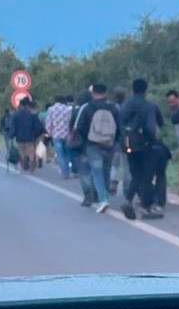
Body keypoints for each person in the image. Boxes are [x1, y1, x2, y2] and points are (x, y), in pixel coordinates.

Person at [119, 78, 161, 220]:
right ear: (145, 89)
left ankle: (128, 200)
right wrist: (153, 140)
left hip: (128, 145)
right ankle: (145, 207)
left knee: (136, 174)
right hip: (144, 146)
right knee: (147, 176)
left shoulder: (126, 105)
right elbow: (150, 127)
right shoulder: (148, 106)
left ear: (133, 89)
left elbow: (120, 124)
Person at [75, 84, 120, 214]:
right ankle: (104, 196)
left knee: (97, 172)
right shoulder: (114, 107)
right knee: (106, 170)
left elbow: (80, 128)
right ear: (105, 92)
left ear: (93, 92)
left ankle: (103, 199)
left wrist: (86, 143)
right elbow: (119, 126)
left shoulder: (87, 107)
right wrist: (115, 141)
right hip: (109, 144)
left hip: (92, 145)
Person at [10, 97, 43, 173]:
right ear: (28, 105)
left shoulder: (16, 115)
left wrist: (11, 135)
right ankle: (31, 163)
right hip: (30, 137)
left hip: (19, 137)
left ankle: (24, 160)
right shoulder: (32, 114)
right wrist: (36, 134)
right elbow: (37, 127)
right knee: (31, 151)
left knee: (22, 151)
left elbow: (13, 126)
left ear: (20, 105)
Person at [44, 95, 73, 179]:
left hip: (56, 135)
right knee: (67, 153)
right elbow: (72, 121)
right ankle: (67, 171)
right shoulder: (69, 109)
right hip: (67, 135)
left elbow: (48, 123)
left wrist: (49, 132)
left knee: (60, 154)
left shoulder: (51, 109)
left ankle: (64, 172)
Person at [109, 87, 130, 196]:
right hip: (127, 139)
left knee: (114, 163)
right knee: (127, 164)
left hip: (115, 140)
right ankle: (127, 189)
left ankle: (113, 182)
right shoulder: (128, 107)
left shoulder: (112, 108)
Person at [152, 105, 171, 213]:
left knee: (148, 176)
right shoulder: (161, 124)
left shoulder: (143, 120)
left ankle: (151, 200)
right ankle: (160, 200)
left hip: (149, 150)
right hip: (162, 150)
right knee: (161, 176)